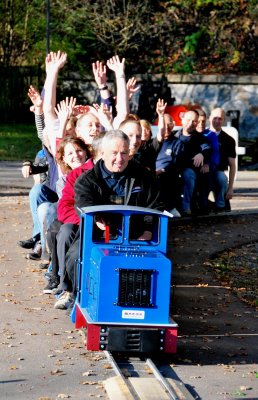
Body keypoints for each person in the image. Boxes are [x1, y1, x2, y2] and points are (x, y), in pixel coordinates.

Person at [54, 130, 163, 310]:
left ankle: (145, 302)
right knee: (74, 256)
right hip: (97, 234)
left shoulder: (144, 177)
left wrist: (149, 230)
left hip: (136, 234)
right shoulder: (86, 180)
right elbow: (83, 204)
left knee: (159, 259)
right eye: (114, 153)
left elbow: (156, 205)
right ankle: (76, 294)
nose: (119, 158)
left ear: (129, 153)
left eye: (124, 153)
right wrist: (97, 219)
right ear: (102, 153)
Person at [156, 110, 211, 216]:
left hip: (189, 169)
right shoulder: (174, 136)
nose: (190, 123)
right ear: (182, 120)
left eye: (194, 121)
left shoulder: (200, 138)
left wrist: (202, 155)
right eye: (188, 120)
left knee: (188, 174)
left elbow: (207, 148)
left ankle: (186, 207)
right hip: (172, 168)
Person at [208, 107, 236, 211]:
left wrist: (230, 188)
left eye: (220, 118)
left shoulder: (229, 140)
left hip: (218, 172)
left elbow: (232, 165)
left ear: (224, 120)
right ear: (209, 118)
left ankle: (221, 206)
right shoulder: (202, 135)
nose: (217, 121)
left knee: (221, 178)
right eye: (215, 118)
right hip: (202, 171)